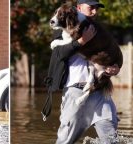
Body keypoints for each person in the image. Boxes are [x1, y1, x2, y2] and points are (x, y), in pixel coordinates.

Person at [42, 0, 122, 143]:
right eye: (91, 8)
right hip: (75, 91)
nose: (95, 12)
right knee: (65, 140)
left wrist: (115, 68)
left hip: (99, 91)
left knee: (111, 140)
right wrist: (81, 41)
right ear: (78, 8)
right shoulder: (63, 28)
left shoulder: (97, 30)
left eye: (97, 8)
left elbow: (111, 53)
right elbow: (59, 54)